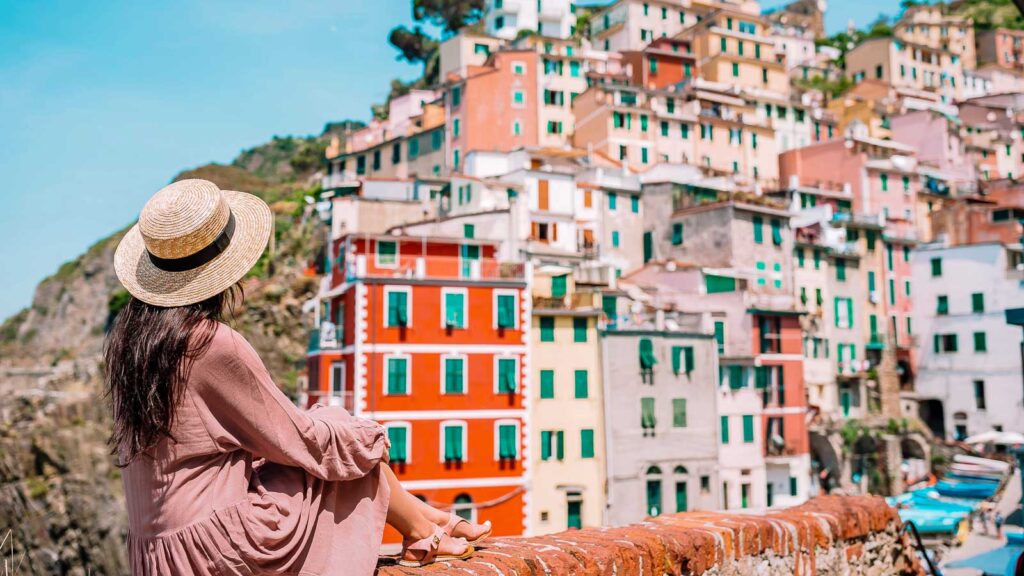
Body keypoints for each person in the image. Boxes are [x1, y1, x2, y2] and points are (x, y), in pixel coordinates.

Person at [107, 180, 490, 575]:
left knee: (341, 442)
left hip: (160, 551)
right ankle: (426, 529)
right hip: (217, 547)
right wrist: (371, 436)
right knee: (343, 436)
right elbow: (301, 440)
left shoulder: (130, 346)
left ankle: (428, 524)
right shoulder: (211, 344)